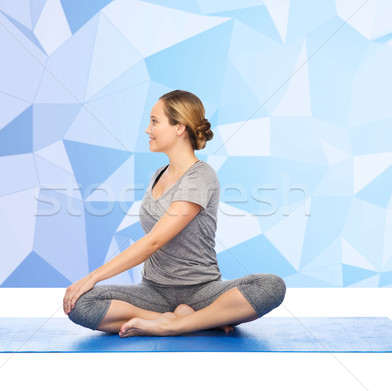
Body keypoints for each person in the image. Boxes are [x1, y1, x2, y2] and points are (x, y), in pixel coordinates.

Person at [63, 90, 286, 337]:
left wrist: (93, 276)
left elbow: (154, 240)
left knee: (270, 286)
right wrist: (89, 285)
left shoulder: (201, 175)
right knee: (81, 304)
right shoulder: (158, 174)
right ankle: (188, 321)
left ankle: (175, 324)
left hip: (203, 291)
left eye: (155, 121)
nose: (148, 130)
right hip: (154, 292)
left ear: (179, 127)